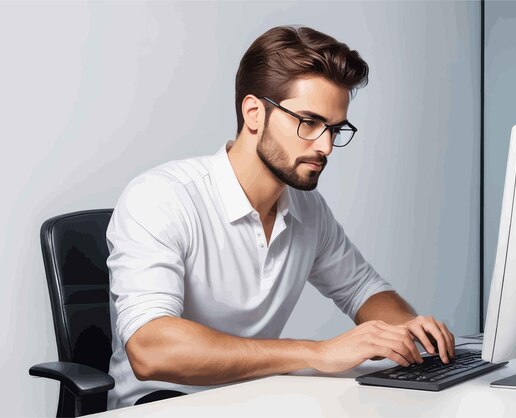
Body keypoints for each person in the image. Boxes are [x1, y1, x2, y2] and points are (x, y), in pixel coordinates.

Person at [106, 24, 455, 410]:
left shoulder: (307, 209)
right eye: (309, 123)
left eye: (335, 129)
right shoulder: (162, 197)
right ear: (254, 112)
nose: (325, 146)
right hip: (162, 405)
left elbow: (363, 290)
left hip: (255, 400)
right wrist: (316, 352)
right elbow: (151, 350)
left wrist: (405, 328)